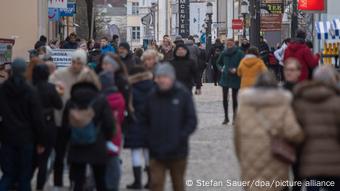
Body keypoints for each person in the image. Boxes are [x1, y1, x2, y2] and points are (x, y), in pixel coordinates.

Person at [235, 72, 304, 191]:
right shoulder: (282, 104)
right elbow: (294, 133)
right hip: (277, 163)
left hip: (251, 164)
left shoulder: (244, 107)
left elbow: (237, 139)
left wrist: (242, 158)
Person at [141, 63, 197, 191]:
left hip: (178, 151)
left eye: (165, 77)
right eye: (159, 77)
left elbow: (191, 121)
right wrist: (148, 139)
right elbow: (143, 120)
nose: (161, 80)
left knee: (178, 184)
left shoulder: (182, 94)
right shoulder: (151, 96)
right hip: (155, 150)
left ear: (172, 78)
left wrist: (180, 136)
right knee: (156, 184)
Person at [49, 49, 100, 187]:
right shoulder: (60, 74)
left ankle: (74, 181)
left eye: (79, 63)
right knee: (59, 155)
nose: (76, 65)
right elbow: (49, 88)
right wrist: (55, 90)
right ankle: (57, 183)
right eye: (74, 62)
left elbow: (96, 92)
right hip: (60, 120)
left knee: (76, 156)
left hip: (80, 121)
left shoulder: (87, 75)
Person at [0, 58, 46, 191]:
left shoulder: (3, 89)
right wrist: (41, 141)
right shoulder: (30, 91)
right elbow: (37, 118)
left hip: (7, 136)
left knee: (8, 174)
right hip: (26, 138)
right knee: (24, 176)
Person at [63, 77, 114, 191]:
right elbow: (109, 123)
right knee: (100, 180)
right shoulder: (101, 100)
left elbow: (65, 126)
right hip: (97, 143)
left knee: (78, 182)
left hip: (76, 144)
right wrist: (107, 138)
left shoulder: (71, 102)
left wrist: (65, 145)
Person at [293, 65, 340, 191]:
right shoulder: (337, 102)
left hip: (310, 162)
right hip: (335, 163)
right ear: (333, 80)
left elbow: (296, 133)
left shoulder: (302, 102)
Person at [31, 64, 63, 190]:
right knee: (44, 159)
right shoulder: (50, 88)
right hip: (48, 125)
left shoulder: (31, 87)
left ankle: (24, 181)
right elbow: (59, 105)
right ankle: (39, 186)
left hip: (33, 126)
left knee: (32, 160)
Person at [125, 66, 154, 189]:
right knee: (148, 152)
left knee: (136, 153)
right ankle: (150, 181)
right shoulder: (153, 86)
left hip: (134, 122)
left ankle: (137, 181)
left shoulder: (130, 89)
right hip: (149, 123)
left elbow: (126, 106)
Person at [99, 71, 125, 191]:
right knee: (113, 163)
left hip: (98, 138)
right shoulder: (120, 98)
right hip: (115, 136)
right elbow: (120, 118)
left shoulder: (99, 99)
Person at [217, 38, 244, 125]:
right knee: (225, 98)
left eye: (230, 44)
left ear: (234, 44)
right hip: (225, 77)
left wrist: (237, 70)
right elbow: (218, 63)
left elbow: (243, 63)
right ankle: (226, 117)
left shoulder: (239, 53)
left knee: (235, 98)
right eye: (227, 44)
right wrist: (222, 69)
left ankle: (235, 118)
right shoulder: (224, 53)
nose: (229, 46)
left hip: (235, 77)